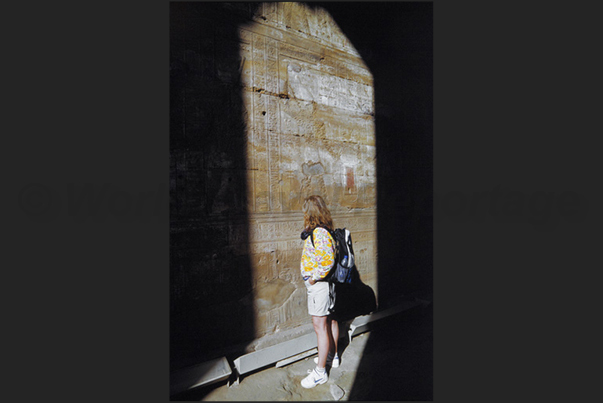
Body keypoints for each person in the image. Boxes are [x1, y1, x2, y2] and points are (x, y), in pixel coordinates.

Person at [299, 195, 340, 388]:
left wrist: (313, 277)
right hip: (324, 286)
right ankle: (332, 356)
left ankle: (320, 372)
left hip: (320, 287)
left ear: (311, 212)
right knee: (330, 320)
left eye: (305, 210)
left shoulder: (320, 233)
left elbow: (327, 261)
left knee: (319, 327)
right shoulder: (322, 231)